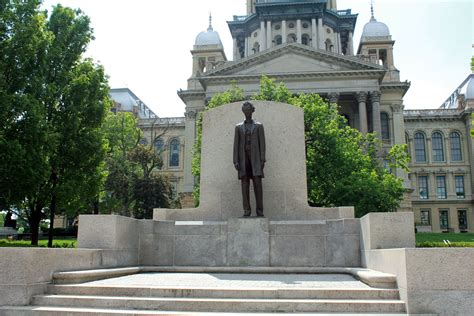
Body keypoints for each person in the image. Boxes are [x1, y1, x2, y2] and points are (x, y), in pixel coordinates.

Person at [233, 101, 266, 217]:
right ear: (243, 112)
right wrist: (235, 160)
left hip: (256, 158)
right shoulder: (238, 127)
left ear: (252, 110)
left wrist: (262, 160)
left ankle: (260, 211)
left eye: (249, 110)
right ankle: (246, 210)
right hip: (243, 159)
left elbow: (262, 144)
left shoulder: (259, 126)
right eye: (245, 110)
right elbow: (236, 145)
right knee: (245, 184)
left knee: (257, 184)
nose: (247, 112)